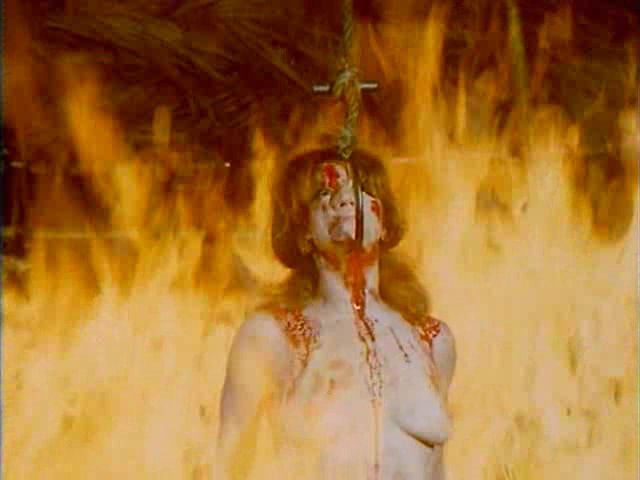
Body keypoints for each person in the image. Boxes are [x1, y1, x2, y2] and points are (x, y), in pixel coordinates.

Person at [216, 148, 456, 479]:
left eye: (360, 190)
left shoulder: (432, 341)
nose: (344, 200)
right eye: (324, 193)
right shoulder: (271, 336)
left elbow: (436, 470)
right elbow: (229, 467)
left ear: (385, 224)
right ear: (304, 234)